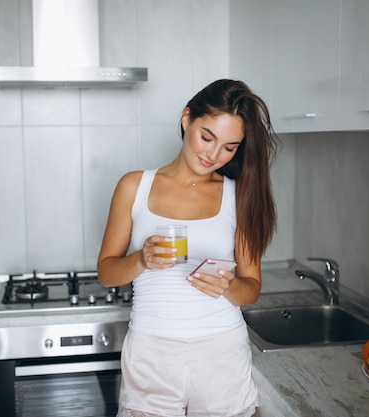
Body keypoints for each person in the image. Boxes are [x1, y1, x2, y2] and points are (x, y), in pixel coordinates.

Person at [97, 79, 279, 417]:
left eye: (229, 147)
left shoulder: (239, 196)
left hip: (221, 351)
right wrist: (141, 259)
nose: (213, 155)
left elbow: (251, 289)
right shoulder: (133, 186)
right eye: (207, 137)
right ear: (186, 120)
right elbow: (107, 273)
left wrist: (229, 285)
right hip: (151, 351)